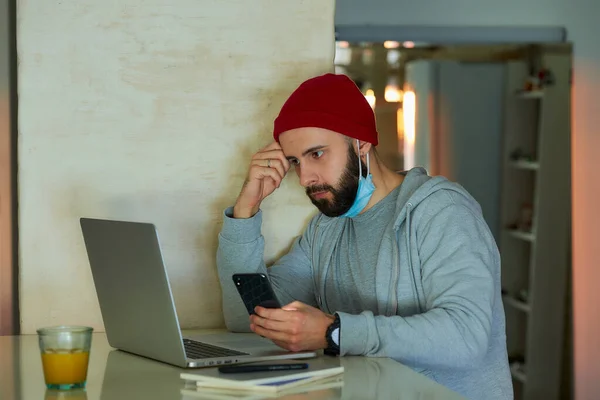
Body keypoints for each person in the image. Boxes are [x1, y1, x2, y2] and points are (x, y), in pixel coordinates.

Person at [216, 73, 513, 399]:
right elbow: (248, 316)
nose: (304, 178)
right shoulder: (326, 229)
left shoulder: (442, 211)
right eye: (294, 162)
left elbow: (465, 337)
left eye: (316, 154)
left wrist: (335, 332)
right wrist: (247, 208)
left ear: (361, 142)